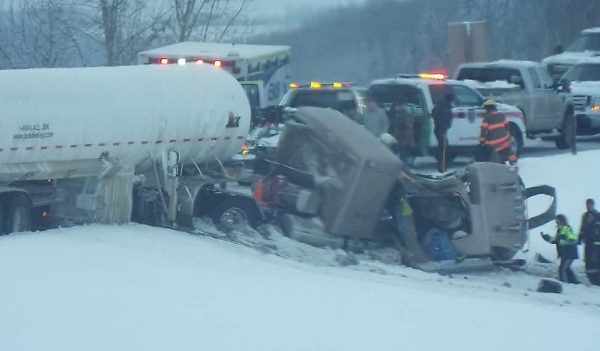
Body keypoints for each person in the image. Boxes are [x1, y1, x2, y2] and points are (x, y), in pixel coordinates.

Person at [541, 214, 580, 284]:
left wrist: (563, 242)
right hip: (564, 254)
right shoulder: (560, 229)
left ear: (561, 220)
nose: (556, 221)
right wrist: (546, 237)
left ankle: (564, 283)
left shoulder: (567, 228)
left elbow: (573, 240)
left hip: (569, 253)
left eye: (557, 220)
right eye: (556, 220)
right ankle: (574, 282)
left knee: (562, 269)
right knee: (566, 268)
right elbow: (555, 240)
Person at [479, 99, 517, 166]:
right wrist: (507, 135)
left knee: (495, 156)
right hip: (504, 139)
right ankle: (513, 162)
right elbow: (507, 126)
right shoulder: (501, 115)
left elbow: (483, 130)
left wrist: (482, 140)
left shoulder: (487, 117)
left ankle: (499, 165)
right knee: (508, 150)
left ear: (487, 108)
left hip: (494, 142)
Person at [579, 198, 600, 285]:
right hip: (588, 242)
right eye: (587, 205)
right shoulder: (585, 215)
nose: (588, 206)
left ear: (593, 205)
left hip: (596, 243)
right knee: (588, 259)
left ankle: (597, 279)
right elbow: (582, 228)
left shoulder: (597, 215)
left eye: (590, 205)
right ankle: (591, 279)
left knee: (596, 259)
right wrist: (580, 238)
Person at [431, 92, 454, 173]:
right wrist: (443, 129)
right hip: (441, 130)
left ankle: (442, 167)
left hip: (439, 129)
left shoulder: (439, 106)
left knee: (442, 148)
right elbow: (443, 120)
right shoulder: (445, 108)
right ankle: (442, 169)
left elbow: (434, 114)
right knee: (443, 150)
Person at [390, 98, 416, 165]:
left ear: (404, 106)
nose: (399, 107)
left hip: (405, 142)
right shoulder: (399, 115)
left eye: (401, 105)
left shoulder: (407, 116)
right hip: (400, 141)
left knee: (403, 159)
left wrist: (404, 141)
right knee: (401, 158)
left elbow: (408, 130)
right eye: (398, 105)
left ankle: (403, 172)